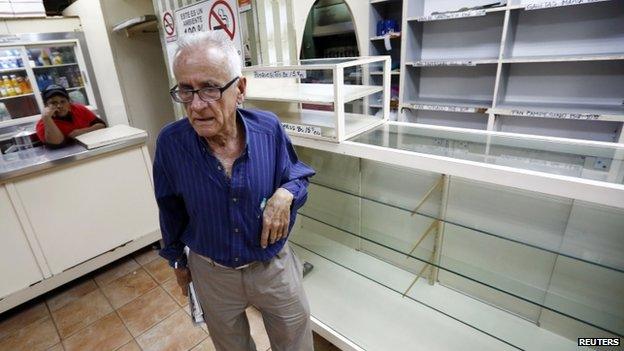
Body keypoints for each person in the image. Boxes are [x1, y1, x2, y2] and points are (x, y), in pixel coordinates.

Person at [153, 30, 315, 351]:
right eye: (186, 90)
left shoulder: (268, 128)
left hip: (272, 266)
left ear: (240, 88)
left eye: (210, 89)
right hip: (212, 273)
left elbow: (298, 176)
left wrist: (286, 195)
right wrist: (177, 262)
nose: (197, 105)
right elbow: (169, 208)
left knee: (295, 342)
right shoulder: (171, 143)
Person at [35, 84, 106, 145]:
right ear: (46, 105)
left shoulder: (79, 109)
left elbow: (102, 125)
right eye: (54, 103)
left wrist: (80, 132)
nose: (59, 106)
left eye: (63, 101)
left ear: (69, 101)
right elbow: (57, 144)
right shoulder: (43, 123)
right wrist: (47, 118)